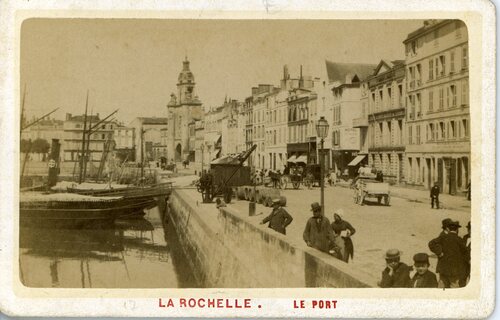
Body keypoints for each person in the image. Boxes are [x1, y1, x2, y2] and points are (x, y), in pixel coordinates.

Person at [428, 220, 468, 288]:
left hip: (443, 268)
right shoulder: (459, 239)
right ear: (457, 229)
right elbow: (465, 252)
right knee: (454, 287)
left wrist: (439, 253)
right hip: (454, 270)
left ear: (448, 229)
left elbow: (431, 243)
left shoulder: (443, 237)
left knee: (442, 286)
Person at [461, 221, 471, 286]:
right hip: (464, 263)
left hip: (472, 263)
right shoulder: (465, 237)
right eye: (469, 229)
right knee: (462, 279)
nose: (469, 231)